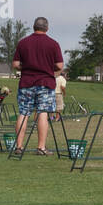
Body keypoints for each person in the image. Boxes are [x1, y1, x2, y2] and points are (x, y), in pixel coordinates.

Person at [12, 17, 64, 155]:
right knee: (43, 113)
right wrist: (52, 73)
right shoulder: (53, 44)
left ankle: (19, 146)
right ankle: (41, 147)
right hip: (45, 83)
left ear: (33, 27)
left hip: (26, 83)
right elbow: (59, 65)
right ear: (47, 28)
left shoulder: (23, 43)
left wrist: (26, 67)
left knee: (23, 113)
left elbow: (16, 64)